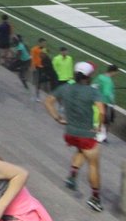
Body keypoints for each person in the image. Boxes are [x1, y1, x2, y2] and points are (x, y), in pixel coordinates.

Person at [44, 61, 105, 211]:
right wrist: (98, 126)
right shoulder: (92, 91)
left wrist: (57, 118)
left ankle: (72, 176)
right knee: (93, 165)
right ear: (88, 76)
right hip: (86, 134)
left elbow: (48, 101)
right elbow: (102, 111)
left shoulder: (65, 88)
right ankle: (95, 198)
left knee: (80, 150)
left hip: (70, 133)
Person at [92, 63, 118, 142]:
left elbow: (93, 86)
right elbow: (107, 93)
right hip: (104, 102)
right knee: (105, 120)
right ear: (113, 71)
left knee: (96, 118)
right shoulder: (108, 81)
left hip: (95, 100)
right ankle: (101, 135)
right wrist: (112, 102)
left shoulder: (100, 76)